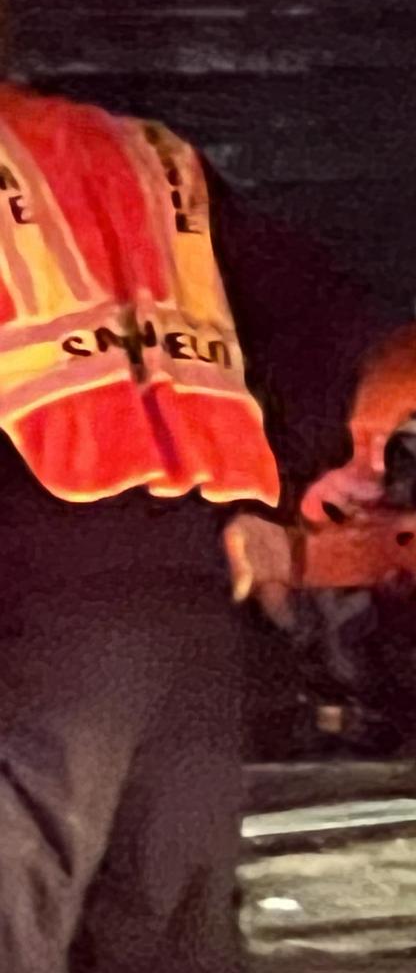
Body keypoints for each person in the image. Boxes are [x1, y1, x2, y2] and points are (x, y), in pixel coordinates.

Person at [0, 82, 389, 971]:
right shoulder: (144, 157)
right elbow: (327, 315)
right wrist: (267, 490)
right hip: (190, 577)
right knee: (166, 908)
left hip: (29, 589)